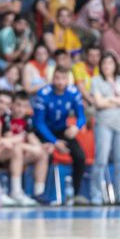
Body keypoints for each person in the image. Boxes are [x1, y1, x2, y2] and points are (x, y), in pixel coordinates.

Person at [33, 66, 88, 204]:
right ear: (52, 79)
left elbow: (81, 116)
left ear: (68, 80)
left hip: (62, 129)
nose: (60, 82)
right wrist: (54, 141)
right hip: (43, 131)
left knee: (80, 156)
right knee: (48, 153)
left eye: (63, 78)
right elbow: (39, 123)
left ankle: (76, 193)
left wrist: (76, 127)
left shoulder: (73, 92)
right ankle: (42, 193)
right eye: (57, 78)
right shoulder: (43, 94)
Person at [88, 53, 120, 205]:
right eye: (104, 63)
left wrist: (110, 99)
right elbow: (99, 103)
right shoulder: (96, 81)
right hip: (104, 124)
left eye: (110, 63)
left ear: (115, 65)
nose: (107, 66)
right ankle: (96, 194)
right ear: (100, 65)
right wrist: (118, 101)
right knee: (101, 159)